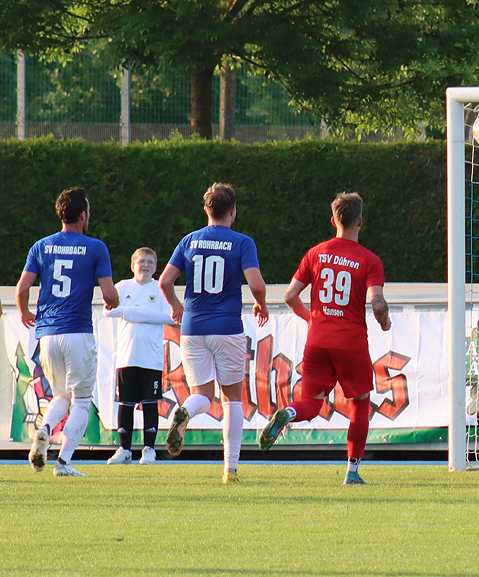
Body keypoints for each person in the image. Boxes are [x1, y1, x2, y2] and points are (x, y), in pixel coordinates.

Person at [258, 192, 391, 485]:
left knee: (310, 405)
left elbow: (290, 296)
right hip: (351, 343)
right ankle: (352, 472)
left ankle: (288, 413)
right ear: (361, 221)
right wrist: (385, 322)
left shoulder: (316, 252)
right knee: (359, 405)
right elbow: (378, 304)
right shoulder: (369, 260)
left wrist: (313, 319)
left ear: (333, 221)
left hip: (317, 341)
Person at [159, 183, 269, 484]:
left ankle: (184, 411)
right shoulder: (242, 242)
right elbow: (257, 285)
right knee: (233, 398)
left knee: (203, 396)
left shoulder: (190, 241)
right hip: (227, 327)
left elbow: (165, 281)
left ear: (206, 210)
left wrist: (177, 308)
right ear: (232, 211)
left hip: (193, 328)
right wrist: (261, 304)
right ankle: (230, 469)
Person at [16, 187, 119, 477]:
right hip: (77, 330)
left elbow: (23, 288)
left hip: (47, 333)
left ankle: (45, 429)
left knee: (60, 395)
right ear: (83, 215)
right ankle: (63, 462)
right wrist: (114, 301)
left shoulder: (41, 246)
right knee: (82, 400)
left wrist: (24, 312)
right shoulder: (95, 247)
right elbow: (110, 294)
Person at [105, 247, 176, 465]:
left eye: (150, 262)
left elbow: (170, 317)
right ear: (132, 265)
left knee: (150, 402)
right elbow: (109, 310)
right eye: (141, 261)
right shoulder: (122, 286)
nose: (145, 265)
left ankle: (149, 449)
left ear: (156, 267)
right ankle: (124, 449)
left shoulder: (161, 289)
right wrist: (144, 313)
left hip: (151, 357)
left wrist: (130, 311)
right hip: (126, 357)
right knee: (125, 403)